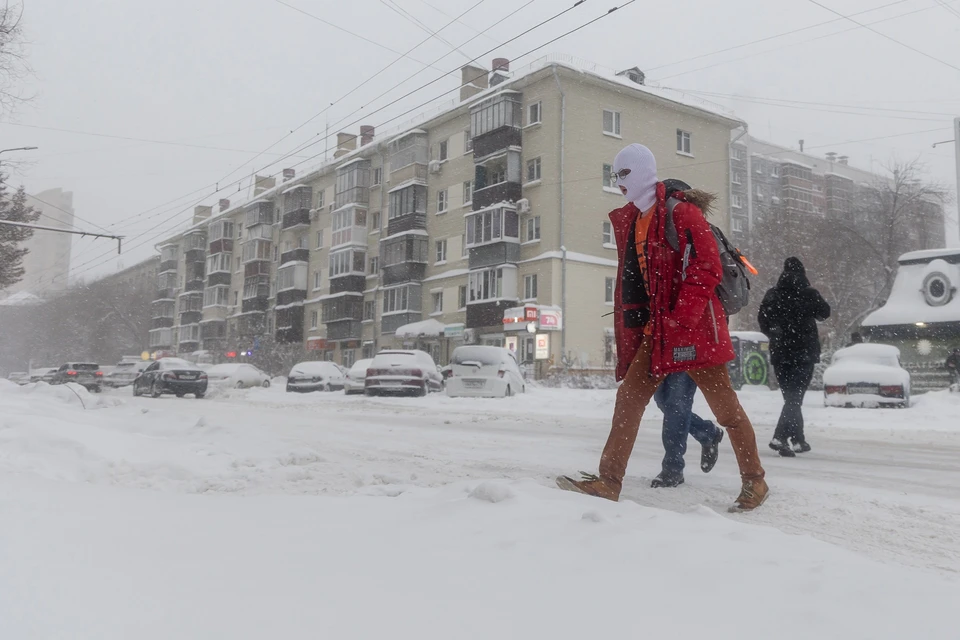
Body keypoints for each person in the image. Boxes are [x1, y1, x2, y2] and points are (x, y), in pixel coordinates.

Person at [556, 143, 768, 512]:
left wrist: (681, 318)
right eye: (614, 175)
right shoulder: (635, 219)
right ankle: (608, 481)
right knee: (629, 401)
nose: (618, 182)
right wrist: (649, 324)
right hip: (660, 334)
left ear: (643, 171)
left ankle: (756, 482)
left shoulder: (681, 212)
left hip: (697, 332)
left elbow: (707, 268)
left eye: (624, 173)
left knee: (726, 411)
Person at [758, 257, 831, 456]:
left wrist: (776, 335)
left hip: (781, 354)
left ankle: (797, 440)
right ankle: (780, 437)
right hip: (804, 353)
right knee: (795, 399)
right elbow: (825, 313)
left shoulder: (772, 295)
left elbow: (762, 321)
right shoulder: (809, 294)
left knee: (791, 397)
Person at [652, 372, 724, 487]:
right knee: (662, 400)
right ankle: (707, 432)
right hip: (661, 357)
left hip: (685, 357)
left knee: (676, 403)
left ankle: (673, 468)